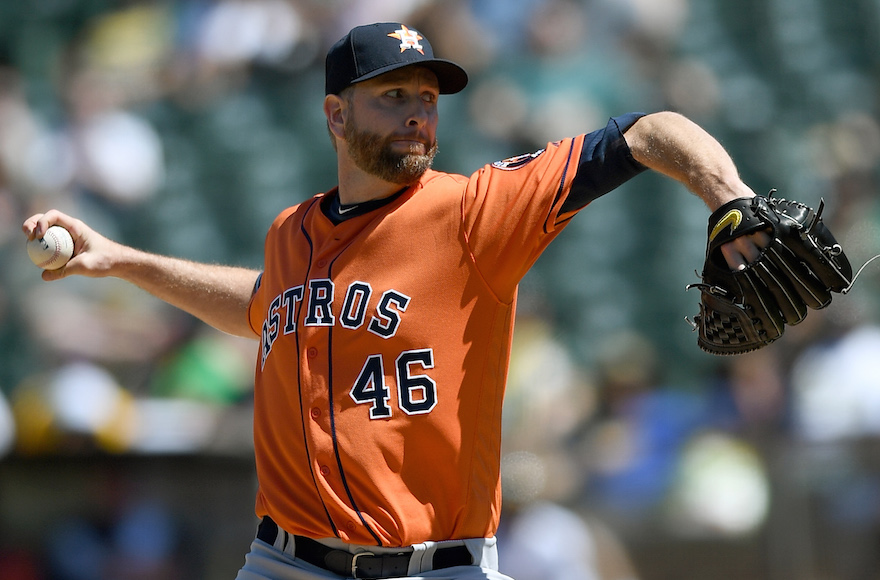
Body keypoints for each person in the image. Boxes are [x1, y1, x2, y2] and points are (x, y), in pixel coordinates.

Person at [23, 22, 769, 580]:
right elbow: (265, 307)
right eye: (392, 96)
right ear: (335, 117)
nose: (419, 112)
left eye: (426, 97)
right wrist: (122, 261)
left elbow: (649, 132)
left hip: (438, 566)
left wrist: (731, 197)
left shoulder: (477, 211)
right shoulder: (293, 232)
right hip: (286, 563)